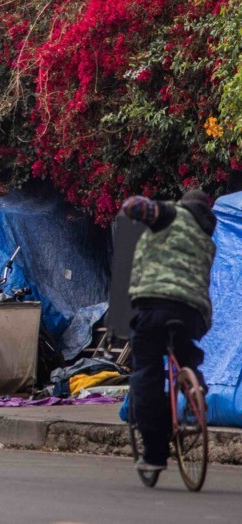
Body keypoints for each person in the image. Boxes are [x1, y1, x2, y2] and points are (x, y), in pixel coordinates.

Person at [120, 189, 216, 479]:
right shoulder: (207, 237)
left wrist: (152, 206)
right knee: (185, 353)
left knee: (146, 373)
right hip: (194, 313)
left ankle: (154, 453)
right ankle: (193, 384)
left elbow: (133, 206)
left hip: (156, 304)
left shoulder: (171, 214)